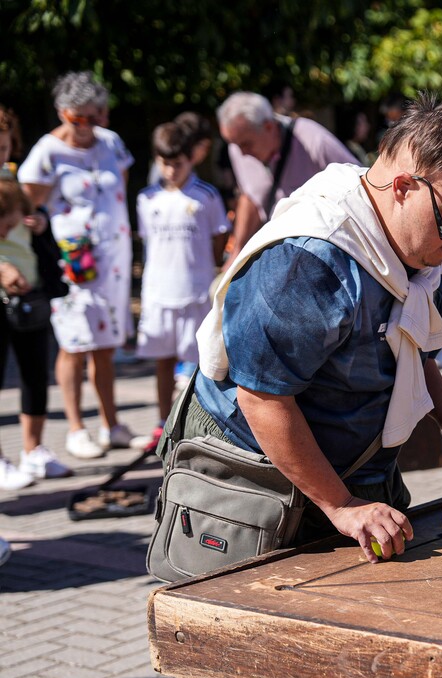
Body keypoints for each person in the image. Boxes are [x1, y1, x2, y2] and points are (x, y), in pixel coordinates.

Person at [189, 95, 442, 678]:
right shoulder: (311, 258)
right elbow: (262, 397)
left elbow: (413, 335)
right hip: (256, 477)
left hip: (352, 470)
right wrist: (339, 506)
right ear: (403, 185)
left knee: (357, 643)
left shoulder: (414, 240)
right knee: (272, 656)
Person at [19, 72, 146, 460]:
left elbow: (117, 191)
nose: (89, 126)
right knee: (75, 344)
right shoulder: (47, 152)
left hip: (113, 262)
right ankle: (76, 428)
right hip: (73, 265)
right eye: (80, 119)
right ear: (63, 114)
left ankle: (112, 424)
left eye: (97, 116)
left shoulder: (111, 144)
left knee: (106, 345)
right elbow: (27, 207)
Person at [135, 122, 230, 449]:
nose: (171, 169)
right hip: (159, 292)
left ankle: (196, 424)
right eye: (164, 162)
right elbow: (148, 241)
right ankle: (163, 423)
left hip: (195, 292)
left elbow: (219, 237)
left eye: (178, 163)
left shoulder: (206, 196)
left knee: (201, 363)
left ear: (192, 159)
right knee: (163, 362)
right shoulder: (146, 199)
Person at [0, 106, 72, 486]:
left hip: (31, 290)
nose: (1, 155)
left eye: (4, 147)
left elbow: (35, 225)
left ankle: (33, 452)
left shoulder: (13, 178)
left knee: (34, 375)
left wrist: (40, 222)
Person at [217, 92, 358, 260]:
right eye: (235, 145)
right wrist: (237, 253)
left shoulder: (312, 139)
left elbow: (358, 184)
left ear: (269, 127)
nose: (242, 153)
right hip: (278, 254)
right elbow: (251, 198)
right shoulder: (238, 149)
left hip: (325, 252)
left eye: (246, 144)